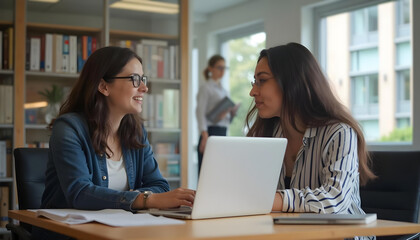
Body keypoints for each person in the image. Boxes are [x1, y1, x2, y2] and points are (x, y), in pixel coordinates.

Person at [36, 46, 195, 239]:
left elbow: (159, 185)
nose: (144, 88)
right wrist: (144, 199)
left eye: (143, 79)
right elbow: (80, 193)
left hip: (122, 232)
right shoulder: (69, 128)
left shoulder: (135, 131)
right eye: (135, 79)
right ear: (104, 86)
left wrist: (145, 198)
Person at [246, 43, 376, 216]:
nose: (253, 91)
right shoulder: (267, 135)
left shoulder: (339, 133)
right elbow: (248, 192)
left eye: (262, 81)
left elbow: (334, 200)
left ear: (292, 81)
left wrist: (271, 200)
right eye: (254, 82)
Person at [196, 54, 239, 174]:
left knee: (219, 172)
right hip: (210, 132)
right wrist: (204, 135)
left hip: (222, 132)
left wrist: (231, 112)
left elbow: (226, 119)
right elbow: (200, 112)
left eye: (224, 68)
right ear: (211, 68)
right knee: (207, 172)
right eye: (219, 67)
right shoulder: (206, 88)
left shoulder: (224, 90)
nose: (222, 71)